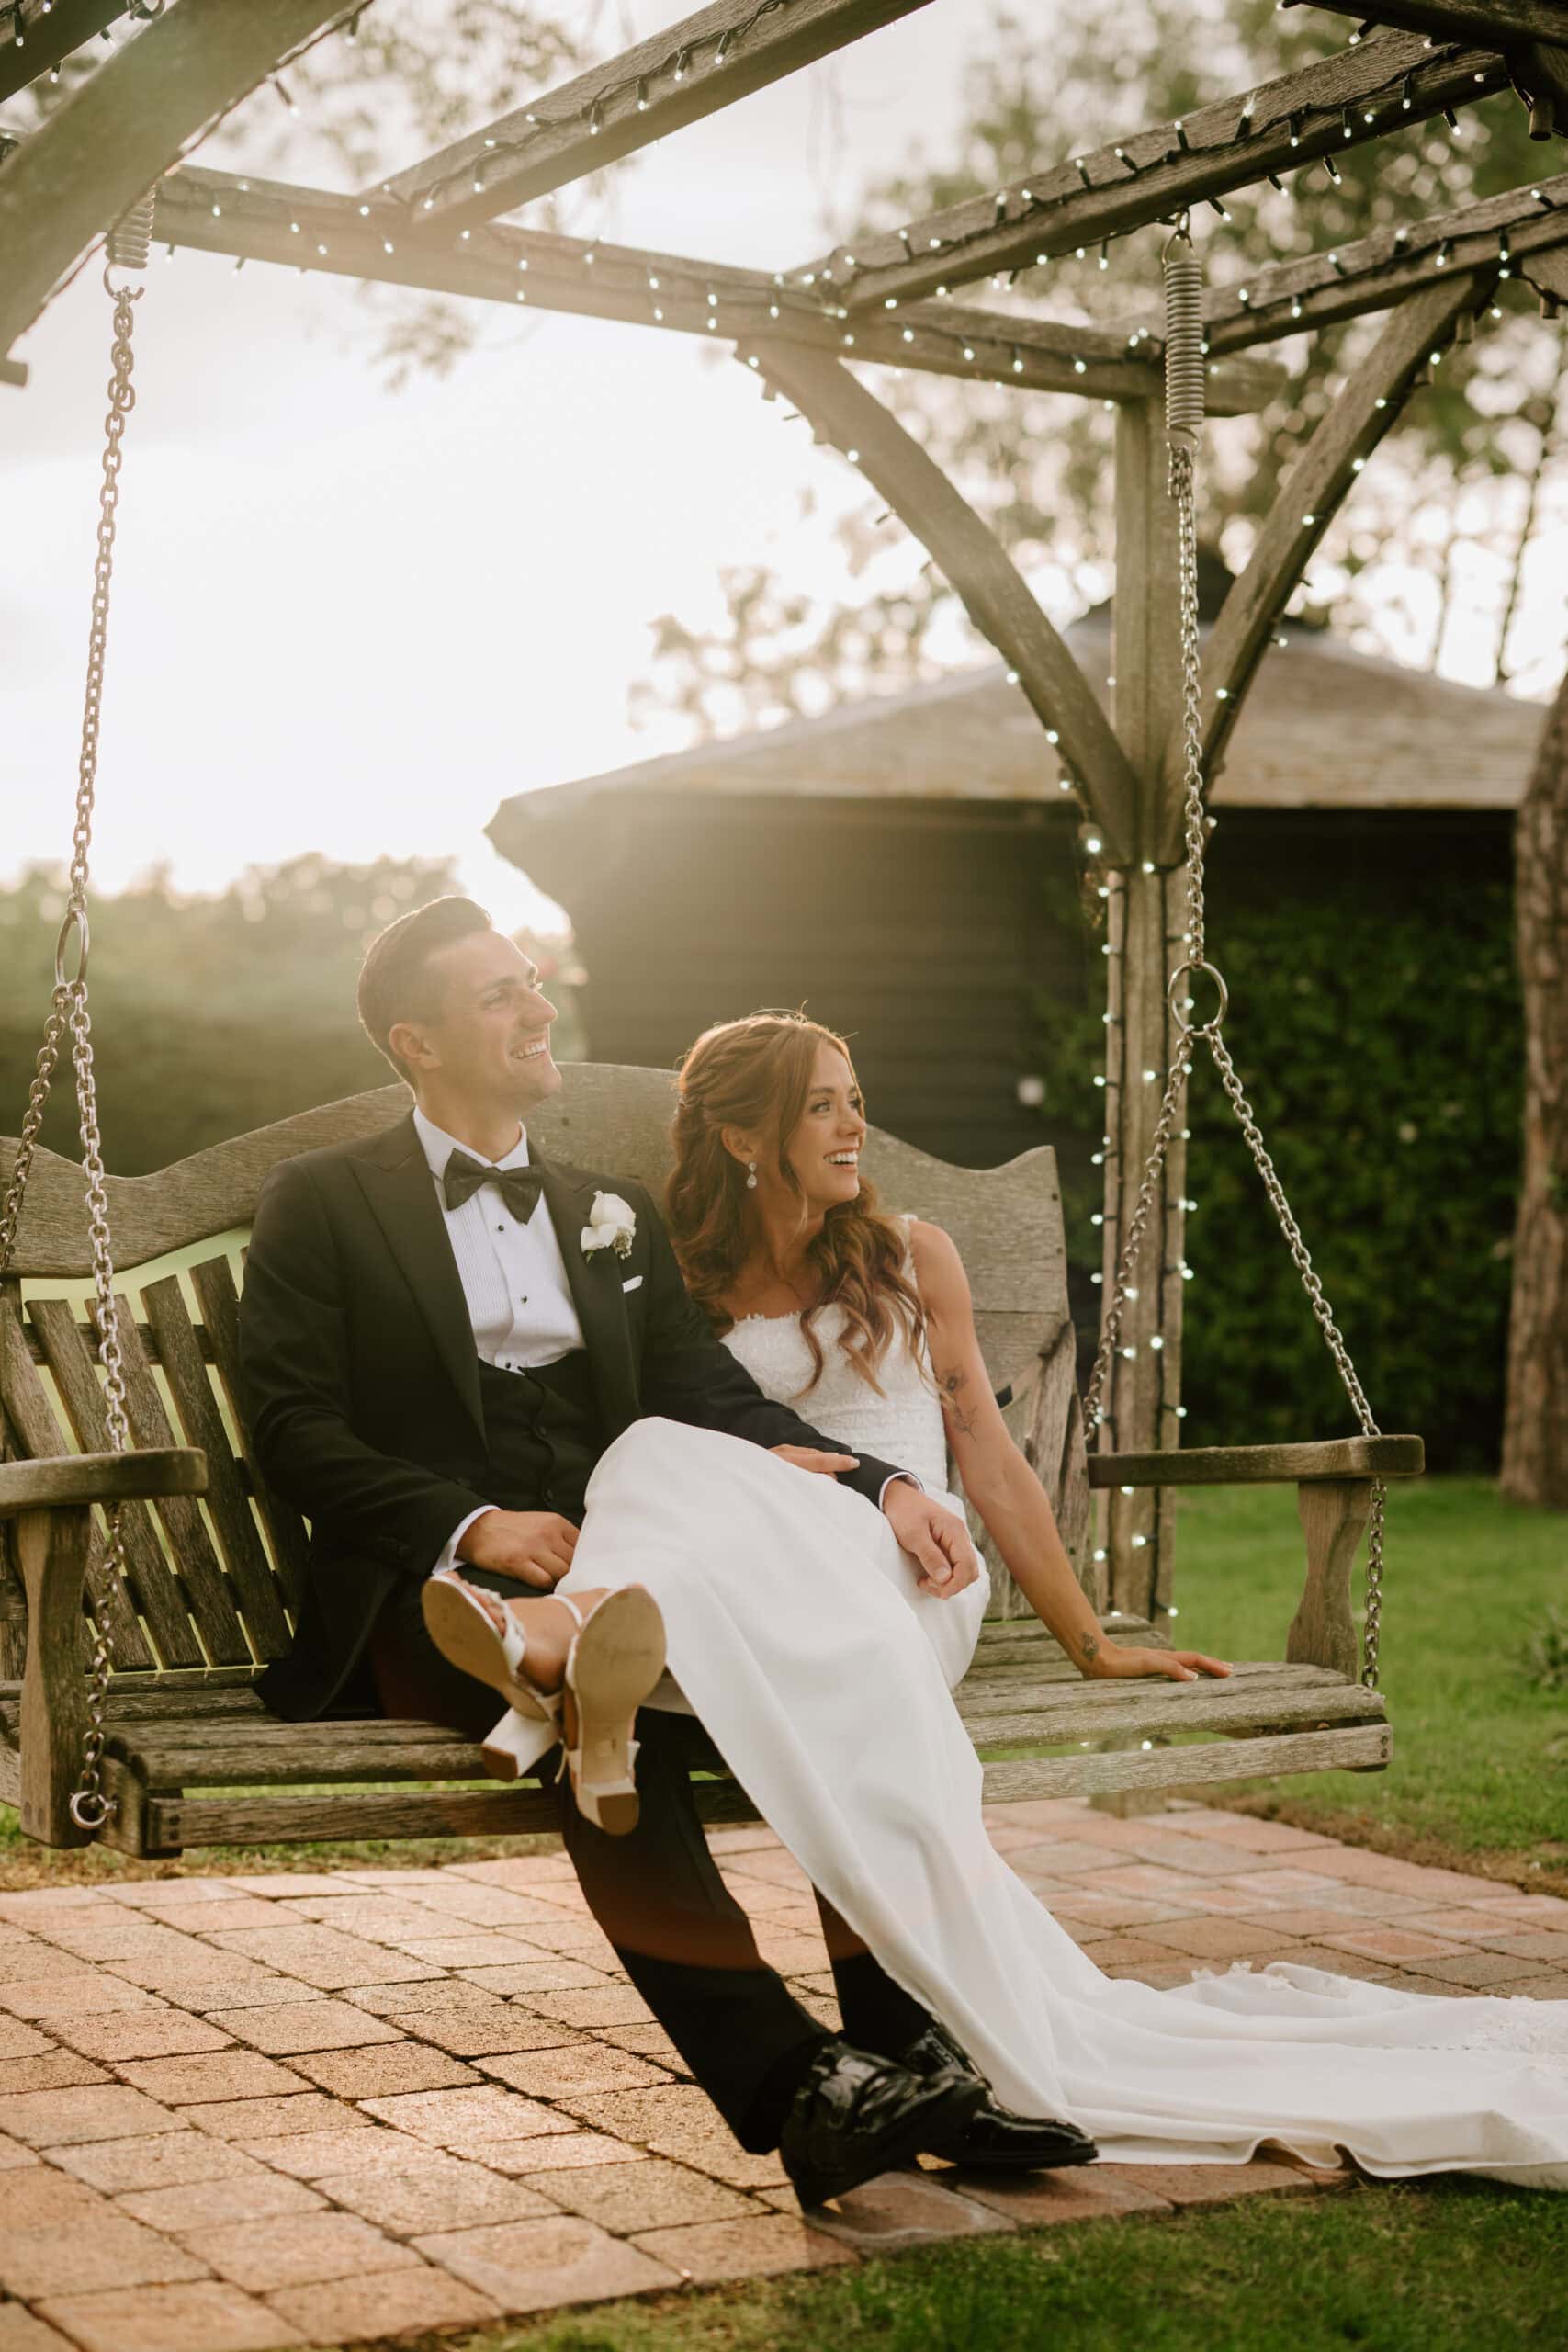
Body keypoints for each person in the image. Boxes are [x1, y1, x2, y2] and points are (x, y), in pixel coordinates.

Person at [433, 1006, 1568, 2194]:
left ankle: (558, 1660)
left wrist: (1090, 1641)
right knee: (665, 1452)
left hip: (908, 1567)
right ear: (742, 1137)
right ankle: (886, 2027)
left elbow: (984, 1451)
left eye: (853, 1098)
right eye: (820, 1105)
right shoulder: (679, 1279)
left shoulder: (909, 1255)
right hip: (754, 1581)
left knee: (766, 1558)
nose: (852, 1124)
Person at [238, 898, 1093, 2211]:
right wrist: (469, 1526)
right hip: (423, 1588)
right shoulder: (325, 1203)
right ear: (417, 1042)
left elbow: (719, 1404)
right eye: (499, 996)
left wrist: (884, 1489)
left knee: (817, 1654)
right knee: (608, 1718)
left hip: (618, 1569)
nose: (538, 1007)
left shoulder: (608, 1212)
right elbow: (292, 1428)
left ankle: (901, 2043)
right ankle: (804, 2084)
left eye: (534, 982)